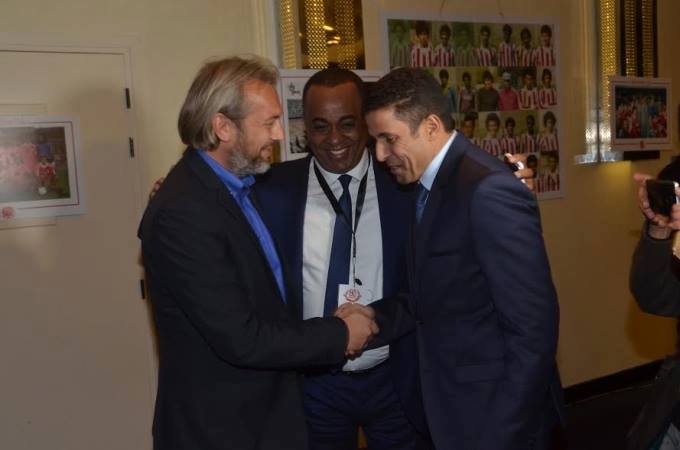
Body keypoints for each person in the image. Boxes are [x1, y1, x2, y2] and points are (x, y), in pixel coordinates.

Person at [137, 56, 378, 450]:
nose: (280, 135)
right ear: (222, 127)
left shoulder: (238, 189)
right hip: (223, 430)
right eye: (268, 123)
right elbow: (243, 338)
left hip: (267, 416)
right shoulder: (184, 212)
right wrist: (341, 333)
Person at [354, 67, 564, 450]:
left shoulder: (488, 190)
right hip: (448, 411)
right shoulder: (424, 186)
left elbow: (534, 330)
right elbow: (431, 298)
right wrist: (373, 316)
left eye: (389, 139)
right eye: (376, 141)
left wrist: (501, 432)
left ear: (431, 126)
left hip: (494, 422)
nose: (380, 155)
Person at [253, 68, 429, 450]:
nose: (334, 139)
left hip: (394, 376)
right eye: (320, 127)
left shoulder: (404, 187)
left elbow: (426, 285)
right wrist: (171, 193)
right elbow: (217, 206)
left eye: (347, 124)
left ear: (366, 123)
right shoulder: (271, 190)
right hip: (313, 385)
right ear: (305, 127)